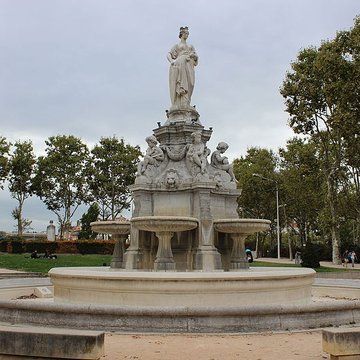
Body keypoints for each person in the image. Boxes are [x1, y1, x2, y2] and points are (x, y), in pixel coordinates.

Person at [167, 26, 198, 108]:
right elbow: (169, 54)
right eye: (186, 33)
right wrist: (172, 61)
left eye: (188, 34)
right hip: (180, 64)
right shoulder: (177, 45)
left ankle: (187, 102)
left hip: (189, 65)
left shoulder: (191, 46)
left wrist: (193, 56)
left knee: (189, 83)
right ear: (182, 34)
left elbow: (196, 56)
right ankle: (180, 103)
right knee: (180, 82)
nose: (187, 35)